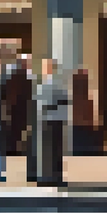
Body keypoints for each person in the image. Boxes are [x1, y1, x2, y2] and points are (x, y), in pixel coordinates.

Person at [35, 58, 69, 187]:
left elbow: (42, 104)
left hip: (46, 120)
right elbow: (65, 100)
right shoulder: (61, 84)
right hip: (57, 120)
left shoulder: (46, 84)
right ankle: (56, 175)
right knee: (56, 150)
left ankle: (47, 176)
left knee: (47, 150)